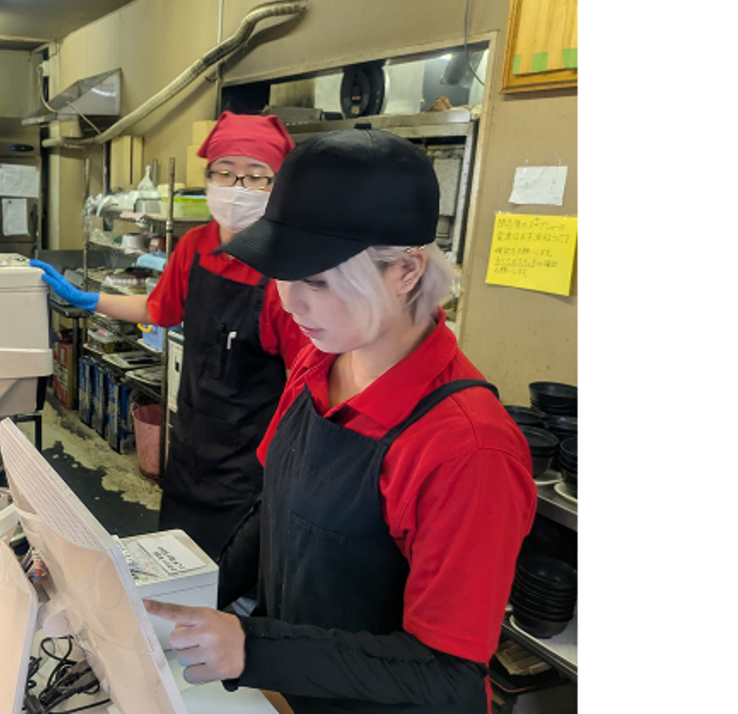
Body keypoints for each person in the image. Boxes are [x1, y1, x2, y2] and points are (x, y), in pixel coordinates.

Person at [143, 124, 537, 713]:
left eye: (319, 281)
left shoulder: (466, 448)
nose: (291, 302)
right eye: (284, 276)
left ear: (405, 271)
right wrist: (187, 600)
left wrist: (253, 647)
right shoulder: (316, 362)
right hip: (293, 694)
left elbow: (450, 673)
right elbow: (273, 510)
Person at [32, 112, 306, 559]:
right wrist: (86, 299)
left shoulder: (286, 270)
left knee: (229, 584)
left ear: (276, 187)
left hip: (252, 464)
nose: (239, 188)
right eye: (226, 173)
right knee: (174, 561)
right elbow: (156, 309)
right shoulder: (195, 245)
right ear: (209, 177)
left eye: (256, 177)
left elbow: (306, 381)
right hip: (190, 446)